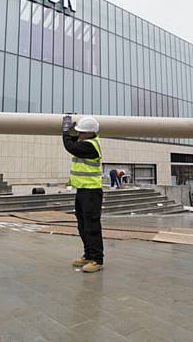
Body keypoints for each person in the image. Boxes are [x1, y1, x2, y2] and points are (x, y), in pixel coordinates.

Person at [62, 115, 104, 273]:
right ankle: (88, 255)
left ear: (90, 133)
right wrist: (71, 129)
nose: (78, 135)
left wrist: (65, 131)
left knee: (92, 226)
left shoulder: (91, 146)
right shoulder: (85, 141)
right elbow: (73, 143)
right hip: (82, 191)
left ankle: (97, 259)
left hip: (92, 192)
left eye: (81, 132)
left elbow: (70, 147)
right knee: (82, 225)